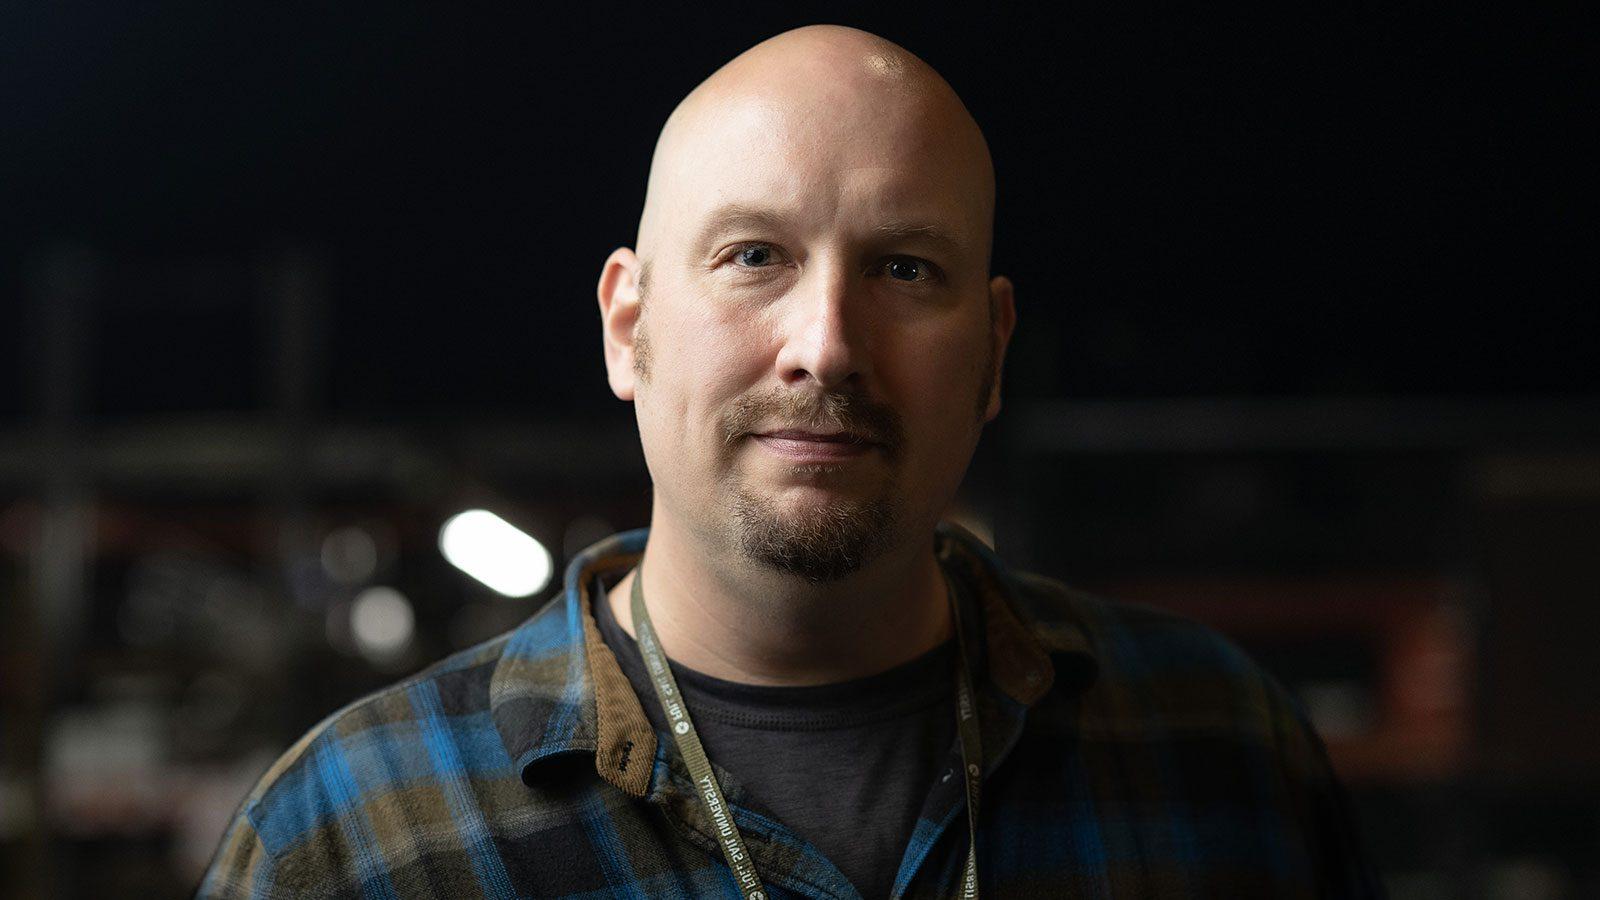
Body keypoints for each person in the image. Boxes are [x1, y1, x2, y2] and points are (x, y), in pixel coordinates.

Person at [200, 24, 1381, 899]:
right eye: (755, 254)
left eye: (906, 269)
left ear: (993, 349)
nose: (825, 346)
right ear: (629, 328)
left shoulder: (1222, 751)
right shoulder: (352, 839)